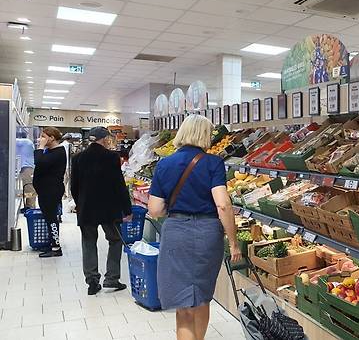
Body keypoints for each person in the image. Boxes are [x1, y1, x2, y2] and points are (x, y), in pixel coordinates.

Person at [148, 114, 240, 340]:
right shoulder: (213, 162)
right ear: (204, 135)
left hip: (176, 233)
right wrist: (234, 242)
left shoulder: (164, 164)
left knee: (183, 305)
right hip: (208, 234)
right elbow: (223, 204)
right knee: (202, 296)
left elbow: (155, 209)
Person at [70, 126, 133, 295]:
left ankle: (92, 281)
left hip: (87, 208)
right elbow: (119, 185)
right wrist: (127, 208)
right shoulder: (112, 157)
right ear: (104, 139)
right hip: (108, 208)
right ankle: (112, 279)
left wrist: (79, 203)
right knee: (115, 240)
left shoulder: (77, 158)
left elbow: (73, 186)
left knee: (88, 242)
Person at [33, 127, 67, 258]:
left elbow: (39, 162)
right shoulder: (51, 151)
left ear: (51, 138)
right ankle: (52, 242)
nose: (40, 139)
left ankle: (56, 247)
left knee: (51, 218)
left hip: (51, 190)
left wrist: (40, 147)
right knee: (49, 218)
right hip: (46, 190)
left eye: (43, 136)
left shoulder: (58, 152)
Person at [16, 131, 36, 210]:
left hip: (26, 167)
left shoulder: (24, 142)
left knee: (28, 188)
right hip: (27, 167)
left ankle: (30, 207)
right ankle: (29, 206)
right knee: (28, 187)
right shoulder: (29, 142)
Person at [60, 133, 72, 199]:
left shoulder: (60, 145)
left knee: (64, 180)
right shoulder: (70, 145)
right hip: (69, 165)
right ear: (69, 139)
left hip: (62, 165)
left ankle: (63, 195)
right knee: (70, 180)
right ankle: (70, 195)